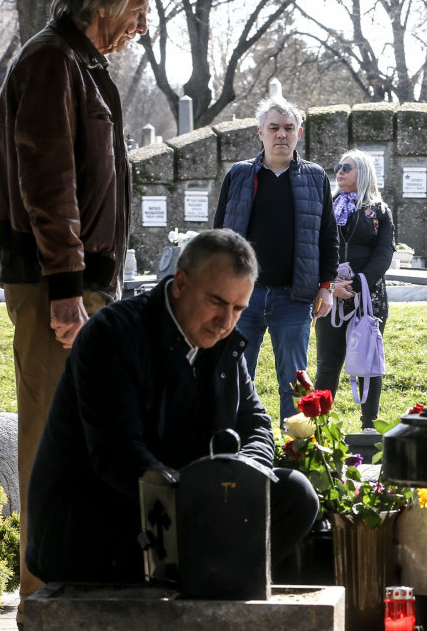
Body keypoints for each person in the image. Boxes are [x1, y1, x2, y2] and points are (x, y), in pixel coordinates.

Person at [0, 0, 154, 607]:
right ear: (102, 6)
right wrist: (65, 288)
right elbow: (48, 180)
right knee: (48, 437)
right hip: (54, 285)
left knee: (80, 433)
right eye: (137, 9)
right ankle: (41, 593)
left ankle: (69, 581)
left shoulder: (77, 64)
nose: (142, 24)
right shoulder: (52, 61)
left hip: (81, 282)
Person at [25, 230, 319, 583]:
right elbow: (118, 455)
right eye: (216, 302)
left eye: (238, 309)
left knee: (295, 494)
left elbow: (254, 422)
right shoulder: (113, 334)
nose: (225, 322)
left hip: (194, 503)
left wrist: (243, 476)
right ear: (180, 283)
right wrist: (198, 494)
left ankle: (216, 595)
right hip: (111, 515)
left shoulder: (220, 341)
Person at [214, 97, 337, 421]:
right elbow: (219, 236)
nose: (281, 134)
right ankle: (234, 451)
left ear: (299, 132)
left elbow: (328, 236)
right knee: (234, 379)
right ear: (260, 133)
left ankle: (293, 455)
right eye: (273, 128)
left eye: (288, 128)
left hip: (293, 298)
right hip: (243, 298)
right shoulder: (239, 175)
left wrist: (325, 286)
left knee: (294, 385)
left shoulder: (315, 177)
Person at [315, 149, 394, 428]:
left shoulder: (380, 212)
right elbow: (316, 249)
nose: (340, 171)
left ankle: (368, 424)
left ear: (364, 172)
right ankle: (319, 425)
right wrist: (331, 284)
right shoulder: (325, 207)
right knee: (328, 362)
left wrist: (361, 283)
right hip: (331, 295)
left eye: (347, 167)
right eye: (338, 166)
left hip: (369, 297)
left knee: (368, 361)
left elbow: (384, 252)